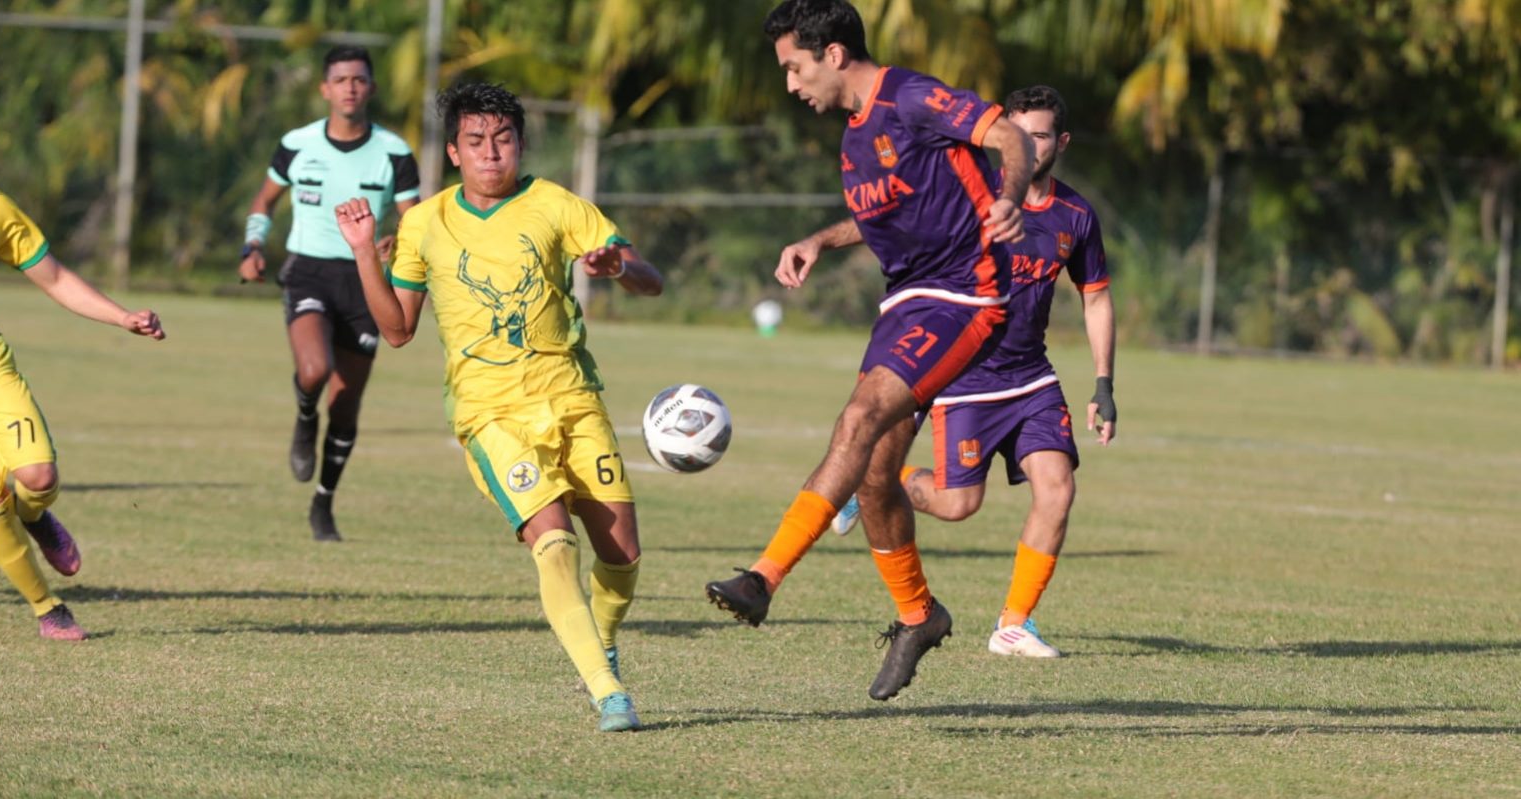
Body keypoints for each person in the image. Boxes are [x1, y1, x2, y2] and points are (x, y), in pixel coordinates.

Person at [703, 0, 1034, 701]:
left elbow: (1008, 134)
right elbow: (881, 211)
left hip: (965, 294)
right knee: (875, 476)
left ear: (833, 54)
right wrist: (819, 240)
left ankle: (763, 578)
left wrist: (1009, 197)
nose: (791, 85)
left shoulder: (909, 96)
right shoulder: (855, 138)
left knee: (857, 420)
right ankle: (920, 615)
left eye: (795, 68)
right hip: (905, 302)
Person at [334, 82, 664, 732]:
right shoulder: (425, 223)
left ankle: (599, 640)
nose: (491, 153)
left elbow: (649, 279)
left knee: (622, 554)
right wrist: (362, 252)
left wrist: (618, 268)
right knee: (555, 541)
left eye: (503, 139)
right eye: (476, 141)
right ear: (454, 152)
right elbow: (396, 329)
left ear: (520, 144)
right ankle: (607, 691)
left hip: (572, 397)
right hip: (490, 414)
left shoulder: (557, 204)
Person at [828, 85, 1117, 659]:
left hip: (1031, 377)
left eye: (1040, 137)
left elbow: (1096, 298)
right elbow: (888, 219)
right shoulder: (968, 194)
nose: (1029, 147)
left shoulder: (1076, 216)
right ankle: (875, 484)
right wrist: (822, 242)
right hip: (965, 377)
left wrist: (1104, 383)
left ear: (1061, 142)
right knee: (958, 506)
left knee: (1058, 489)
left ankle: (1014, 625)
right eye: (1019, 135)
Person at [0, 70, 165, 640]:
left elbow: (54, 278)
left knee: (37, 477)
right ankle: (47, 607)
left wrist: (121, 316)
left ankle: (35, 515)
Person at [237, 45, 420, 542]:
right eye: (340, 80)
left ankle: (324, 502)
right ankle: (303, 417)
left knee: (345, 404)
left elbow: (416, 221)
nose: (350, 88)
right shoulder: (296, 144)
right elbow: (264, 200)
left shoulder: (394, 152)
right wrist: (252, 246)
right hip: (309, 272)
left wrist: (399, 241)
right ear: (325, 89)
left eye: (358, 79)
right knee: (314, 370)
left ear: (371, 88)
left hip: (365, 282)